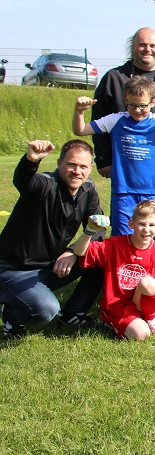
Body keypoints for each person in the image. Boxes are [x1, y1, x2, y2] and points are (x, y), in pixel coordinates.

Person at [0, 140, 104, 338]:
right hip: (11, 270)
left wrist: (72, 252)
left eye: (83, 166)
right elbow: (24, 182)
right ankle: (11, 316)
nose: (77, 171)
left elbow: (98, 230)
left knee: (101, 256)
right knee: (45, 309)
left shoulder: (87, 190)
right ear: (59, 163)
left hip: (50, 266)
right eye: (71, 165)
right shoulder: (44, 184)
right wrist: (31, 161)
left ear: (90, 168)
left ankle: (73, 313)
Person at [73, 77, 155, 236]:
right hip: (123, 192)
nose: (137, 110)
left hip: (152, 192)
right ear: (125, 100)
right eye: (131, 105)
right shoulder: (115, 120)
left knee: (150, 238)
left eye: (142, 105)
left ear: (153, 102)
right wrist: (79, 111)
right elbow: (80, 130)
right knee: (122, 239)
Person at [70, 203, 155, 340]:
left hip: (141, 305)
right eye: (142, 224)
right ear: (131, 224)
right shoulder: (115, 245)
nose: (146, 230)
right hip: (117, 306)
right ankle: (111, 321)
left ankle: (150, 319)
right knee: (141, 334)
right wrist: (89, 230)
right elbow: (80, 251)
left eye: (151, 225)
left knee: (148, 282)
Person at [92, 28, 155, 183]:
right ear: (132, 48)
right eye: (142, 45)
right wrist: (103, 159)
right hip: (127, 165)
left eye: (153, 46)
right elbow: (98, 119)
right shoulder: (114, 78)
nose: (148, 49)